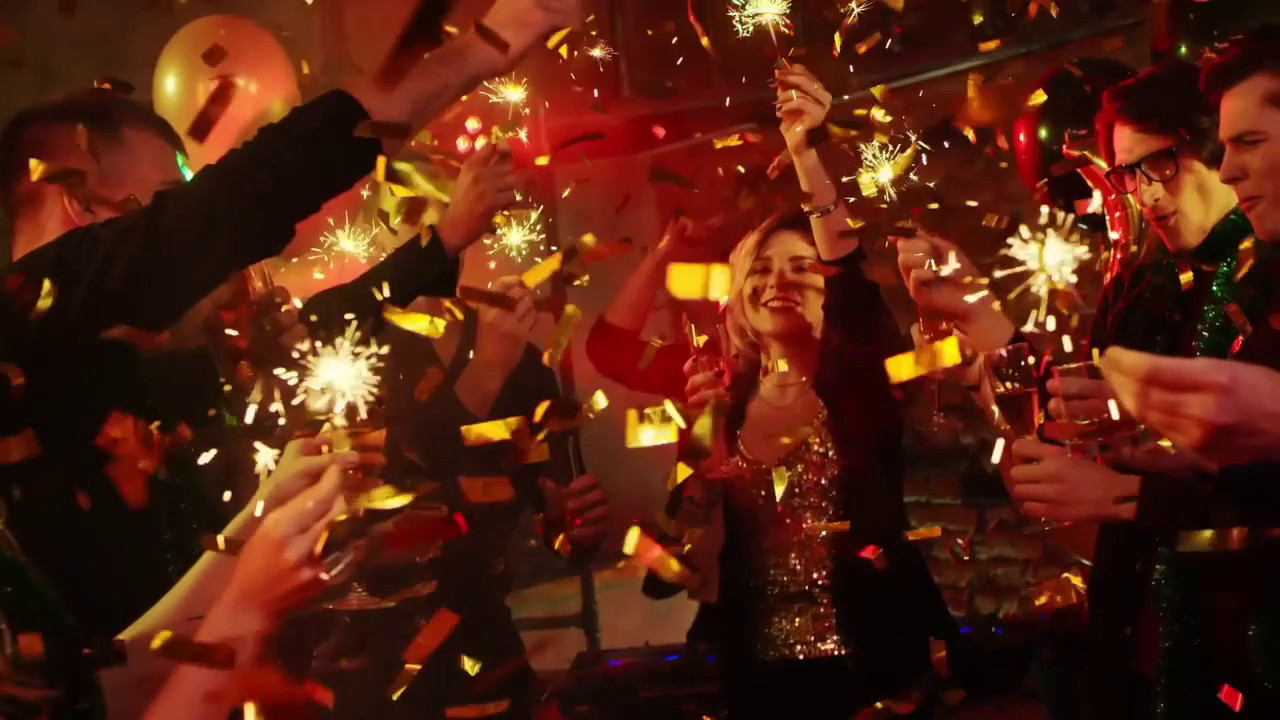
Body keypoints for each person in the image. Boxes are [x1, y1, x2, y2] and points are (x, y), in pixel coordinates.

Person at [0, 0, 582, 650]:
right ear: (80, 202)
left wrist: (440, 244)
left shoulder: (128, 376)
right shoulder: (17, 340)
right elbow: (250, 193)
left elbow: (314, 329)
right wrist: (479, 51)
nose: (186, 240)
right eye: (163, 204)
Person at [903, 59, 1280, 719]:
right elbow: (1082, 437)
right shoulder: (1148, 290)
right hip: (1140, 639)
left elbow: (1248, 495)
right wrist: (976, 313)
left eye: (1160, 163)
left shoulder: (1261, 285)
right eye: (1128, 173)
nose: (1144, 195)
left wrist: (1129, 492)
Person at [671, 65, 953, 718]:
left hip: (874, 676)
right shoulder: (724, 400)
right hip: (757, 683)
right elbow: (685, 556)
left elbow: (849, 275)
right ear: (740, 291)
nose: (779, 282)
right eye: (763, 269)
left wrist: (805, 153)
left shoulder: (860, 384)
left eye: (802, 267)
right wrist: (697, 449)